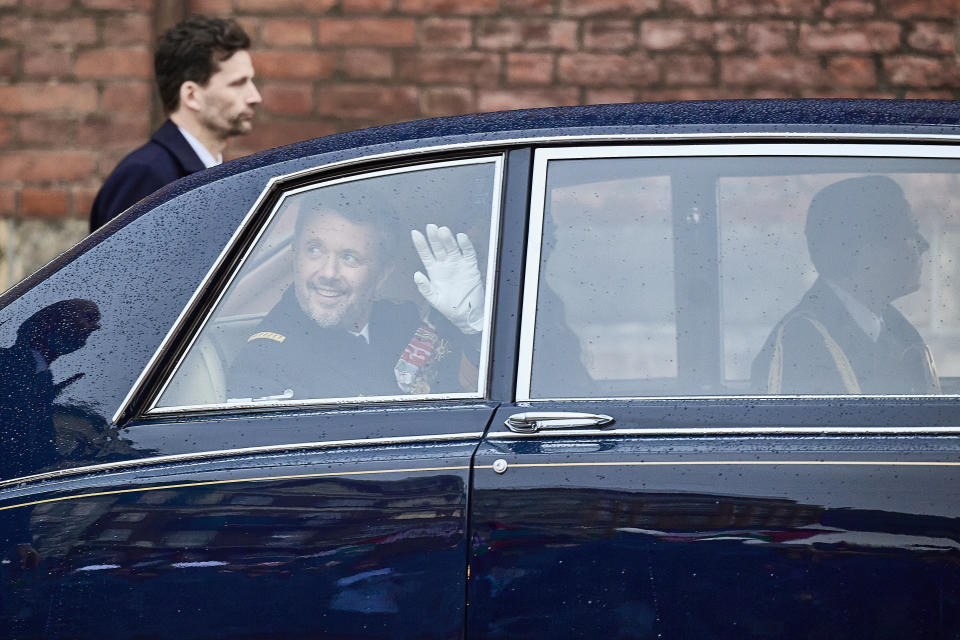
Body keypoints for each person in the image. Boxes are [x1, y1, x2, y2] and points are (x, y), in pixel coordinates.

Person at [226, 199, 485, 401]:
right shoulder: (265, 362)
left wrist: (473, 329)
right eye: (314, 250)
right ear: (295, 256)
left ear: (382, 274)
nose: (328, 273)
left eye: (349, 257)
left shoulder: (400, 321)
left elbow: (454, 388)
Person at [751, 175, 939, 395]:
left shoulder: (900, 334)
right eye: (909, 233)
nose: (923, 245)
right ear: (868, 251)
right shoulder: (801, 346)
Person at [89, 15, 261, 232]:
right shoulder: (147, 175)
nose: (255, 96)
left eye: (251, 81)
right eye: (238, 83)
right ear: (191, 95)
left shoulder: (207, 171)